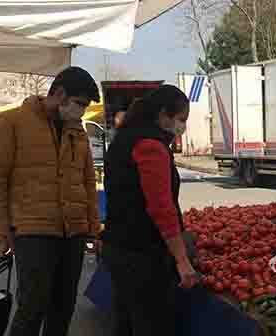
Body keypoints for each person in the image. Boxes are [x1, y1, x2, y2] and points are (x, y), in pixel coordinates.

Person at [0, 66, 101, 336]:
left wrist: (93, 228)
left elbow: (87, 182)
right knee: (32, 307)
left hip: (73, 233)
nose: (81, 111)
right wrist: (0, 233)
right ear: (59, 94)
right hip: (32, 232)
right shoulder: (10, 123)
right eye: (79, 103)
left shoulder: (76, 131)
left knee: (63, 307)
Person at [101, 85, 199, 336]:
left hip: (119, 247)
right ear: (164, 115)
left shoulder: (124, 138)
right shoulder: (150, 146)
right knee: (151, 324)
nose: (182, 126)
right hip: (143, 255)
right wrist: (181, 259)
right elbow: (161, 208)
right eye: (181, 119)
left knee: (125, 323)